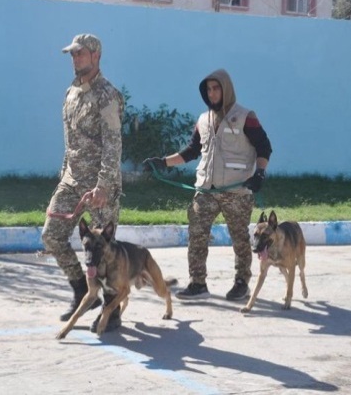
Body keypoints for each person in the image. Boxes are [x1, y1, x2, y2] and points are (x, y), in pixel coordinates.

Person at [143, 68, 272, 301]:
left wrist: (260, 174)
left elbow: (264, 147)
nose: (212, 94)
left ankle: (242, 282)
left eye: (216, 89)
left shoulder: (246, 116)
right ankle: (198, 283)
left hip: (237, 190)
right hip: (205, 189)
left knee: (240, 238)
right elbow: (192, 151)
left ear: (226, 89)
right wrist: (162, 162)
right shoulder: (203, 120)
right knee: (197, 234)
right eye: (208, 90)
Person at [41, 34, 125, 332]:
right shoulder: (71, 93)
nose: (75, 59)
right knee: (51, 235)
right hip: (72, 180)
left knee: (109, 250)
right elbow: (70, 142)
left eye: (80, 54)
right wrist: (63, 174)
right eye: (72, 55)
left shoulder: (107, 95)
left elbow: (113, 145)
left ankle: (111, 311)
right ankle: (81, 291)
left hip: (99, 187)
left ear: (95, 56)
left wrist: (103, 184)